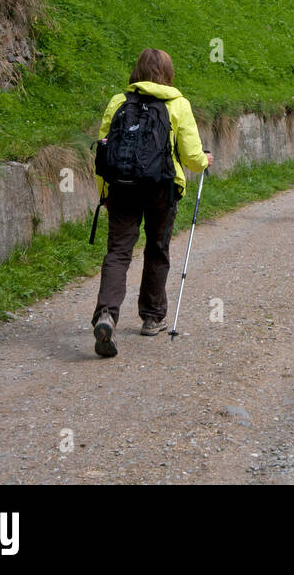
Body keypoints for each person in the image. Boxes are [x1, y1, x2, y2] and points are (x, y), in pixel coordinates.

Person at [91, 48, 211, 358]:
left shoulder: (119, 102)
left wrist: (104, 193)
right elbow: (192, 159)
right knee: (157, 250)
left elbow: (104, 155)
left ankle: (107, 314)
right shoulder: (178, 105)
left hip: (122, 188)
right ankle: (152, 317)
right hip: (162, 189)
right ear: (169, 74)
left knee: (118, 252)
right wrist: (206, 160)